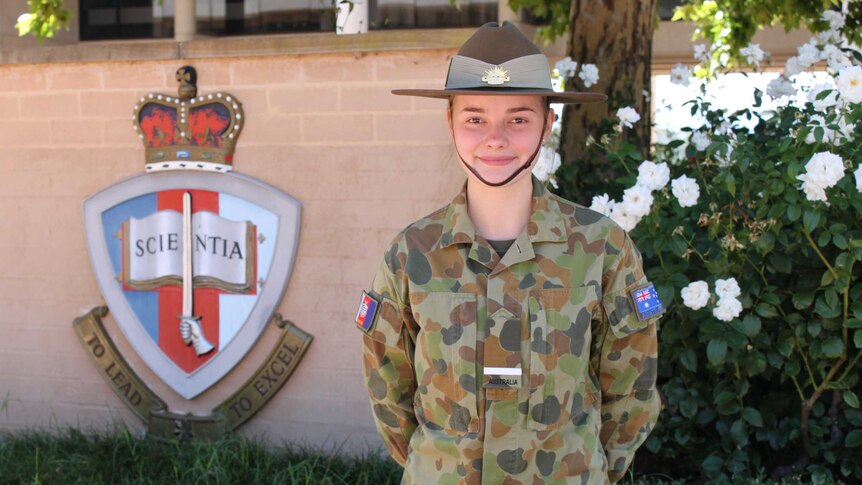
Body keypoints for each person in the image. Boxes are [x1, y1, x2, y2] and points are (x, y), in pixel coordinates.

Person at [355, 21, 662, 484]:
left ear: (548, 123)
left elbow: (632, 392)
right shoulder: (412, 255)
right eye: (474, 118)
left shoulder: (601, 247)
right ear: (450, 122)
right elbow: (389, 392)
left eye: (518, 118)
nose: (495, 137)